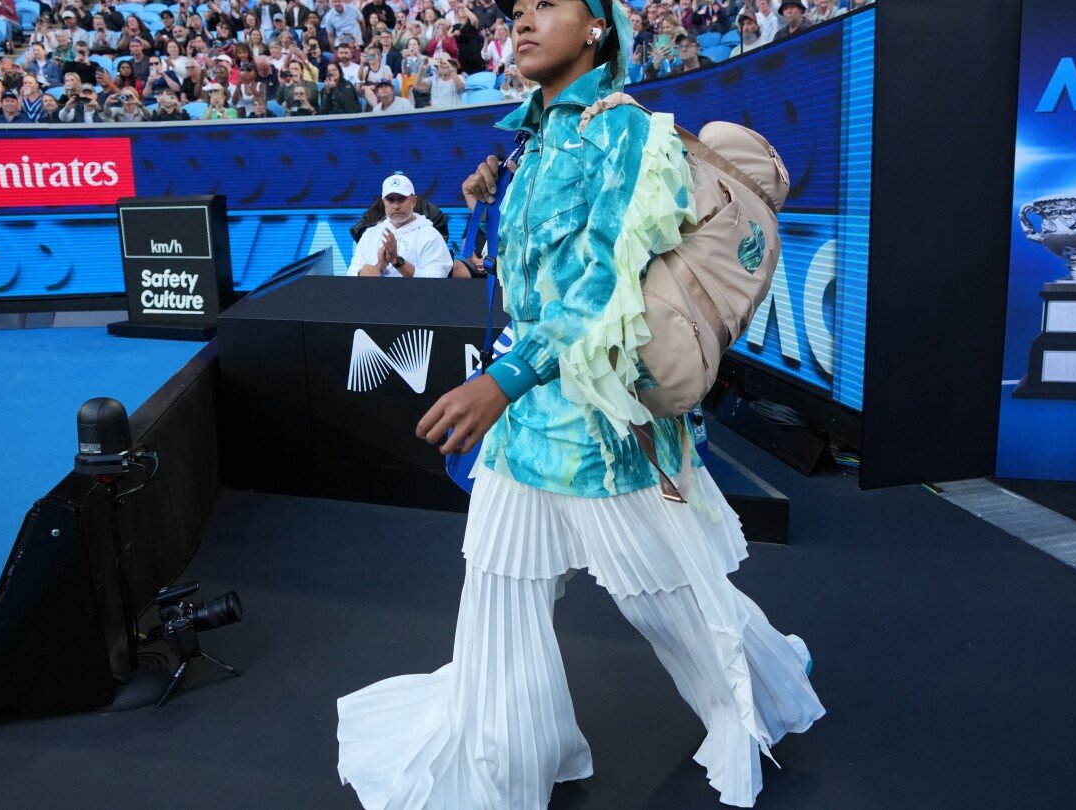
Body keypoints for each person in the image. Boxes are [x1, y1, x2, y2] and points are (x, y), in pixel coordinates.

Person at [335, 1, 823, 808]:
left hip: (598, 424)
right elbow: (531, 275)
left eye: (547, 5)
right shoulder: (533, 139)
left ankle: (768, 683)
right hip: (526, 424)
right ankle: (503, 756)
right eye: (517, 11)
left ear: (598, 27)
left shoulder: (622, 132)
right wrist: (494, 195)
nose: (523, 21)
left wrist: (504, 378)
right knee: (498, 592)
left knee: (667, 599)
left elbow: (603, 285)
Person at [346, 172, 455, 278]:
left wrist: (397, 261)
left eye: (401, 199)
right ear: (383, 202)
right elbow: (350, 277)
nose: (396, 206)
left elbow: (436, 281)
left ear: (414, 201)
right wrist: (378, 267)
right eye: (390, 200)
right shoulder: (370, 235)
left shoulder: (430, 236)